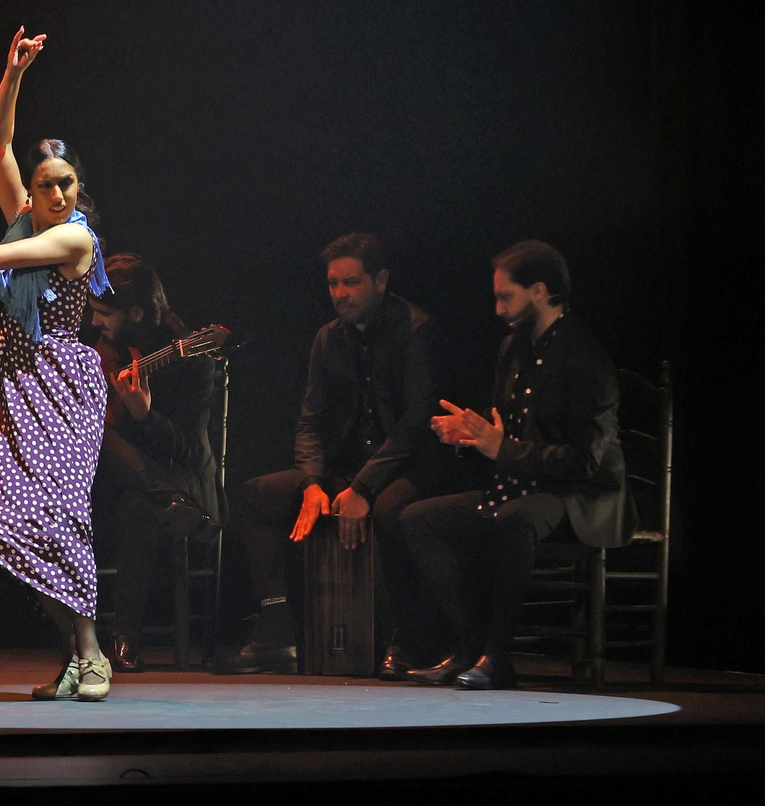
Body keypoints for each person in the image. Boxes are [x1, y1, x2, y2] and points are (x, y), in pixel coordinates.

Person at [0, 27, 114, 701]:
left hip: (60, 388)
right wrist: (13, 75)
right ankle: (73, 652)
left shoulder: (74, 238)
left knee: (59, 514)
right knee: (2, 513)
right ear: (33, 192)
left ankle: (93, 652)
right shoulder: (27, 220)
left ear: (78, 189)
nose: (59, 193)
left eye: (68, 183)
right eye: (46, 185)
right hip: (6, 386)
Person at [401, 240, 635, 690]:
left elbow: (586, 462)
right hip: (524, 486)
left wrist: (500, 449)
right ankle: (472, 650)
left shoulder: (584, 357)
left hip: (581, 497)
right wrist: (467, 436)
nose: (497, 307)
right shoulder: (513, 348)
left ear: (541, 291)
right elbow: (502, 432)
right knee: (420, 519)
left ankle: (498, 655)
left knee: (510, 520)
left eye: (506, 296)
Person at [215, 233, 445, 676]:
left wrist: (363, 488)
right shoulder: (327, 337)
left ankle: (409, 640)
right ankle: (278, 627)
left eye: (351, 283)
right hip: (345, 471)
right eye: (333, 284)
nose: (340, 294)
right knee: (251, 498)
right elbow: (309, 421)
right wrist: (311, 484)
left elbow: (414, 424)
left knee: (395, 510)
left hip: (405, 467)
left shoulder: (416, 329)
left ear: (380, 280)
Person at [87, 253, 220, 672]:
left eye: (104, 314)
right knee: (93, 435)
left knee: (136, 505)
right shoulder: (108, 352)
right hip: (115, 482)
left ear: (138, 313)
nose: (95, 323)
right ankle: (167, 501)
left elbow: (192, 452)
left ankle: (122, 638)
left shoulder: (190, 361)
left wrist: (145, 416)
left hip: (182, 481)